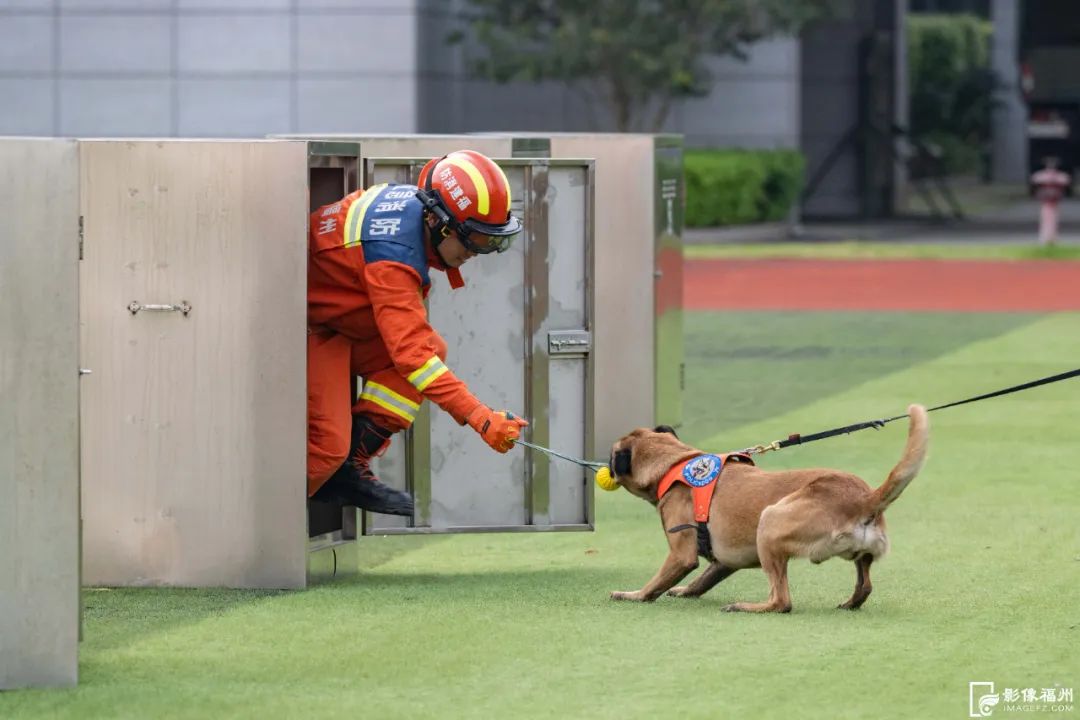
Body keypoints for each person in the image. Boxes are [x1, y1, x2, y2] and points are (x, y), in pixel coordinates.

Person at [306, 149, 530, 515]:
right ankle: (267, 536)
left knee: (431, 351)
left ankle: (348, 467)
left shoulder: (415, 209)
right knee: (325, 450)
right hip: (310, 328)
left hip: (341, 320)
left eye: (491, 241)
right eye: (475, 238)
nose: (478, 251)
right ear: (439, 222)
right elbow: (413, 358)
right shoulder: (393, 256)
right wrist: (480, 417)